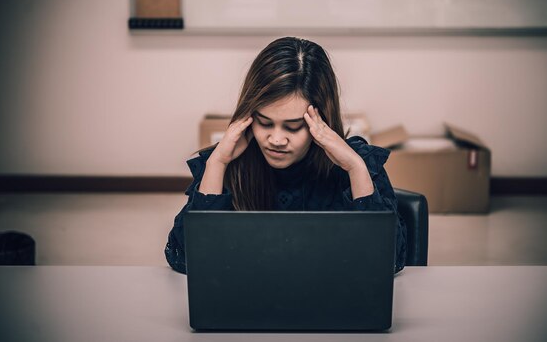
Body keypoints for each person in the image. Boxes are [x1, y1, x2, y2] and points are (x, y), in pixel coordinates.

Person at [165, 37, 406, 274]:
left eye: (293, 127)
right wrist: (217, 164)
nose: (277, 140)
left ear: (322, 121)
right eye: (264, 123)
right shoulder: (227, 163)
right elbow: (185, 258)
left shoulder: (354, 163)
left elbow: (388, 261)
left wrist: (355, 168)